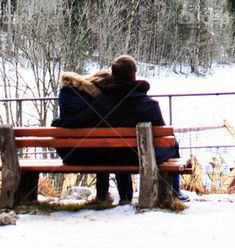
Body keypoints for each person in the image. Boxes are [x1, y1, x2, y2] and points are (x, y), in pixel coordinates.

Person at [53, 55, 188, 204]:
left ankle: (124, 198)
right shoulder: (151, 105)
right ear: (134, 75)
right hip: (142, 157)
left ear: (114, 76)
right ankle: (174, 192)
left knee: (119, 149)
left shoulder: (101, 103)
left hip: (113, 156)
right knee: (172, 142)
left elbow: (78, 121)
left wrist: (59, 122)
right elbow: (162, 139)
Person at [53, 70, 114, 202]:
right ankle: (102, 195)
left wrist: (59, 123)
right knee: (103, 150)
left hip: (67, 154)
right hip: (92, 156)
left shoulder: (68, 94)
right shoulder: (97, 102)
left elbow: (69, 121)